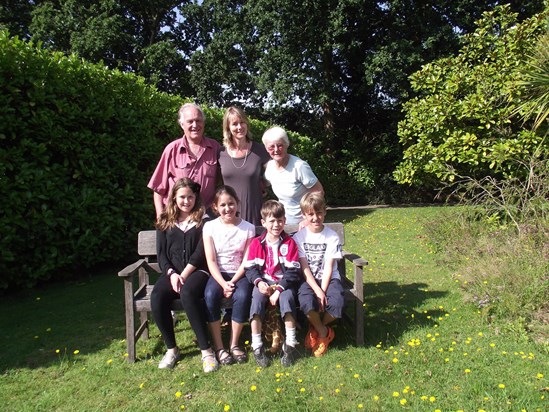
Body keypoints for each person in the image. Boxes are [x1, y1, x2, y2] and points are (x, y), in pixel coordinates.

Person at [150, 177, 219, 372]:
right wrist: (172, 273)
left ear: (195, 197)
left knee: (188, 293)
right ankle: (172, 349)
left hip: (198, 271)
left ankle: (207, 351)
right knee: (157, 296)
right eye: (182, 197)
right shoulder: (165, 220)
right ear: (174, 198)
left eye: (190, 197)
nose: (186, 201)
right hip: (172, 273)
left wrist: (185, 273)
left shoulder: (204, 220)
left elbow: (200, 252)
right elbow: (161, 254)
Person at [244, 200, 303, 367]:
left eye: (280, 220)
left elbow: (293, 271)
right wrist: (259, 282)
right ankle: (257, 346)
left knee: (287, 299)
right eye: (272, 221)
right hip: (264, 281)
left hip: (283, 283)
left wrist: (279, 290)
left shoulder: (289, 243)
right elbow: (250, 268)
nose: (276, 225)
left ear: (285, 220)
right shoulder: (257, 243)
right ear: (263, 223)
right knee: (256, 300)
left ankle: (290, 344)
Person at [203, 185, 255, 365]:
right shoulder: (209, 227)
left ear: (237, 203)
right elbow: (211, 261)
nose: (228, 209)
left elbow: (247, 260)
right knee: (210, 294)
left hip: (239, 274)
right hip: (218, 273)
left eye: (231, 203)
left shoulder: (248, 228)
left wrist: (232, 282)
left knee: (242, 295)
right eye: (223, 205)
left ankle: (234, 344)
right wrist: (223, 283)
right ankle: (219, 346)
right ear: (215, 207)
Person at [148, 103, 221, 220]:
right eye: (190, 121)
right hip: (176, 216)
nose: (195, 125)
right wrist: (160, 216)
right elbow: (158, 188)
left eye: (198, 120)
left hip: (206, 217)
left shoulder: (215, 148)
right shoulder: (172, 150)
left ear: (204, 122)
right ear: (182, 124)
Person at [293, 192, 344, 357]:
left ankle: (315, 328)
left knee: (336, 304)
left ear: (325, 211)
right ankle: (324, 332)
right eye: (311, 214)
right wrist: (317, 291)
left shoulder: (331, 236)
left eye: (319, 212)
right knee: (307, 303)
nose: (316, 218)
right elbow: (304, 268)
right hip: (308, 279)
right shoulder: (299, 237)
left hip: (329, 279)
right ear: (304, 215)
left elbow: (329, 266)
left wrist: (322, 290)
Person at [262, 126, 324, 226]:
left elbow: (318, 192)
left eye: (280, 145)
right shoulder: (270, 168)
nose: (276, 150)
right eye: (271, 147)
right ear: (266, 148)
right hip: (283, 224)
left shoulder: (299, 166)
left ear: (287, 144)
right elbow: (264, 184)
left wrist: (309, 219)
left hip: (303, 225)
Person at [218, 106, 270, 225]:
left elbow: (275, 175)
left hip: (254, 212)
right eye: (235, 124)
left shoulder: (260, 150)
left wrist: (264, 184)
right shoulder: (220, 153)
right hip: (228, 213)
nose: (239, 127)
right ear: (228, 128)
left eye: (242, 122)